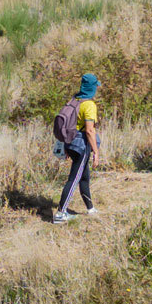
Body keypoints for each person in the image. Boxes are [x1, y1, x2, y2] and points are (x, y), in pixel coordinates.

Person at [52, 73, 103, 223]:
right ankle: (61, 213)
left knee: (84, 176)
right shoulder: (89, 105)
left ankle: (90, 208)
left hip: (71, 142)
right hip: (81, 145)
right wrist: (96, 152)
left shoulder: (75, 100)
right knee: (74, 179)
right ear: (92, 88)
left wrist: (66, 145)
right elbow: (89, 130)